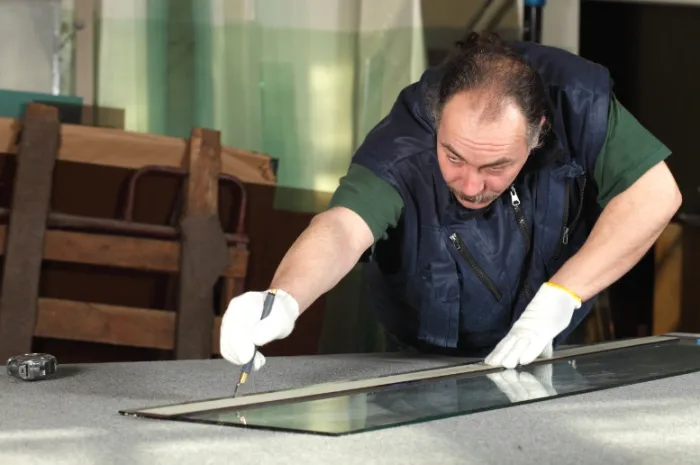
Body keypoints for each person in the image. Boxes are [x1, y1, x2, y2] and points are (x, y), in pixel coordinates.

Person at [219, 32, 681, 370]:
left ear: (539, 132)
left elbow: (655, 195)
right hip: (416, 360)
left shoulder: (578, 103)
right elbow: (342, 227)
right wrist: (283, 298)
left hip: (546, 348)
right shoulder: (402, 142)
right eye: (453, 156)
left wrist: (562, 295)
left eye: (495, 166)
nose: (471, 184)